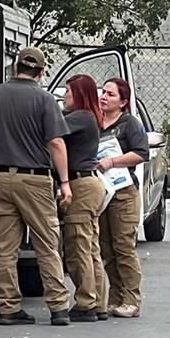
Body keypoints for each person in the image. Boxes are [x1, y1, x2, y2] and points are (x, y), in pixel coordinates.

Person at [0, 47, 74, 327]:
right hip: (35, 180)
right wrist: (64, 182)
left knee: (6, 248)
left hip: (1, 179)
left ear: (15, 67)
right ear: (40, 72)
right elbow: (56, 143)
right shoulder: (44, 99)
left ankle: (8, 307)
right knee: (47, 244)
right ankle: (58, 307)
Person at [97, 78, 149, 318]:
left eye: (110, 94)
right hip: (101, 191)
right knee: (105, 247)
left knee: (123, 246)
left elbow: (140, 154)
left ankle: (131, 299)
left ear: (123, 101)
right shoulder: (95, 121)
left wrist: (113, 162)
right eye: (103, 92)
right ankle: (115, 297)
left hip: (123, 192)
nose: (104, 97)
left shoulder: (130, 124)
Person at [59, 74, 108, 323]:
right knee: (90, 247)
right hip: (90, 183)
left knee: (78, 245)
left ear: (78, 95)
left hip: (81, 184)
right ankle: (98, 302)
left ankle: (86, 302)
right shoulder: (89, 117)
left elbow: (52, 130)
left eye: (67, 92)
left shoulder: (79, 117)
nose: (63, 97)